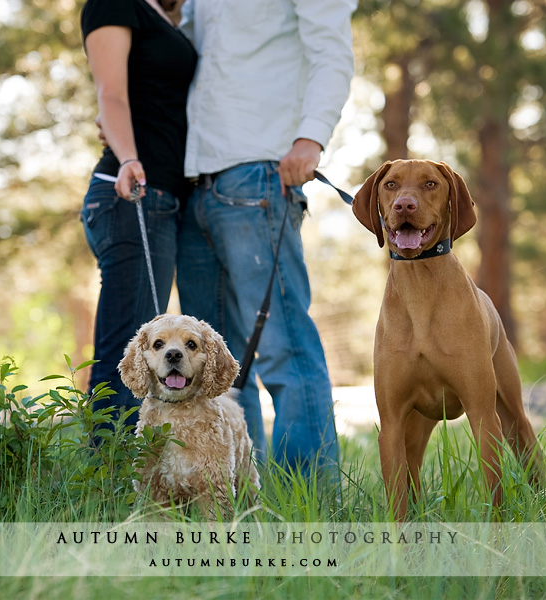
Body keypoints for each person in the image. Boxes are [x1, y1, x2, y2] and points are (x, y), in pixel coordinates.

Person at [175, 0, 355, 475]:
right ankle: (235, 501)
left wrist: (310, 138)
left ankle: (309, 505)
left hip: (258, 175)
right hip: (192, 185)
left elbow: (332, 52)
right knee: (213, 367)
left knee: (285, 352)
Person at [80, 0, 196, 432]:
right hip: (131, 194)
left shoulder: (165, 13)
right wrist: (128, 157)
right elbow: (111, 93)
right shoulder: (114, 2)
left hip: (161, 199)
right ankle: (108, 488)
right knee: (125, 356)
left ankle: (125, 481)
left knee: (135, 351)